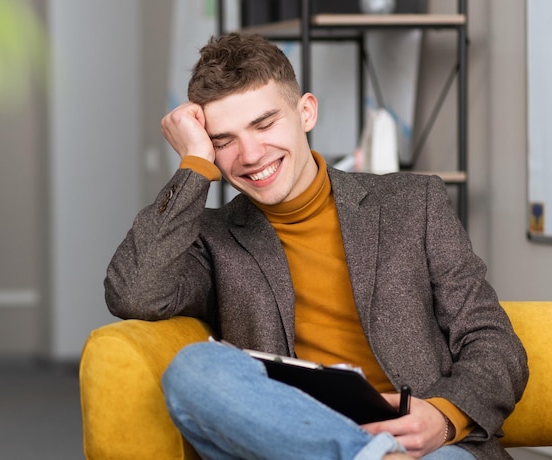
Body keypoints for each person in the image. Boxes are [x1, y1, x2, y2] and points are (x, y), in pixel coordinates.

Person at [104, 32, 528, 459]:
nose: (250, 155)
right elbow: (135, 293)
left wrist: (443, 416)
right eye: (223, 140)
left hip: (425, 448)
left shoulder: (413, 203)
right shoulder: (212, 237)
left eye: (264, 124)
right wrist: (194, 164)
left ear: (306, 112)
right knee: (193, 371)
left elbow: (494, 342)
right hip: (292, 439)